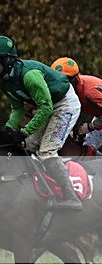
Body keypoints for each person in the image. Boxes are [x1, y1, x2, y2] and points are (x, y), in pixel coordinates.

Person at [0, 35, 83, 210]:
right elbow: (17, 109)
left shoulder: (29, 76)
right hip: (48, 105)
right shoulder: (4, 81)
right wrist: (9, 129)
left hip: (65, 105)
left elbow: (46, 107)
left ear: (6, 60)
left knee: (46, 150)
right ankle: (35, 188)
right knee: (27, 145)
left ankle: (71, 196)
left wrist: (23, 131)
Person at [50, 57, 102, 160]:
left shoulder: (89, 91)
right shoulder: (74, 89)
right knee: (88, 146)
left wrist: (90, 127)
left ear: (73, 80)